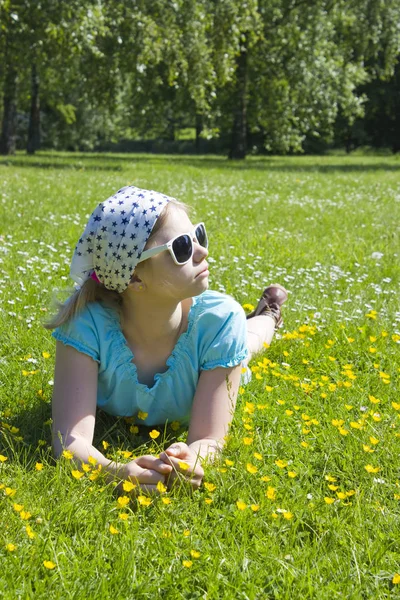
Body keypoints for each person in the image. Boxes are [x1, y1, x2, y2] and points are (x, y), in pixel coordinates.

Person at [45, 185, 288, 494]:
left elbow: (210, 438)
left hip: (216, 336)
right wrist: (114, 473)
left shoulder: (220, 321)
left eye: (199, 236)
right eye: (182, 247)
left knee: (250, 340)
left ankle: (268, 314)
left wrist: (191, 458)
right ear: (133, 276)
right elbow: (69, 440)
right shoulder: (85, 326)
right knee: (245, 340)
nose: (203, 252)